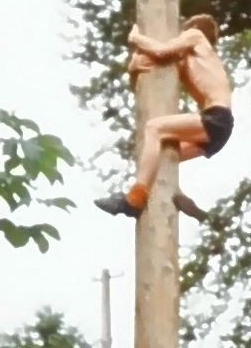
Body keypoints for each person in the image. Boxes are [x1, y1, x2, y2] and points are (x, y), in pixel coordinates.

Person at [94, 14, 233, 219]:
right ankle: (179, 196)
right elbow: (149, 74)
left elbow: (160, 50)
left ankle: (133, 200)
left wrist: (135, 38)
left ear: (194, 27)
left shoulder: (195, 36)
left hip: (216, 117)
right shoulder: (188, 61)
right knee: (159, 155)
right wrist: (133, 69)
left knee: (155, 128)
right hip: (219, 127)